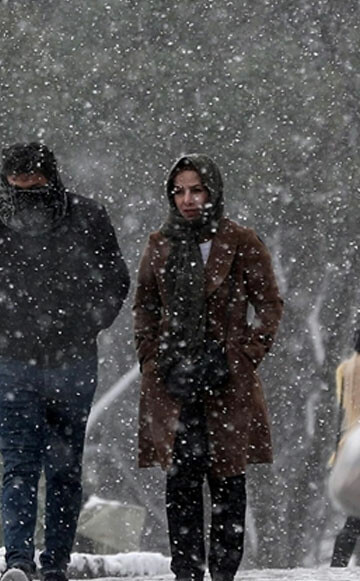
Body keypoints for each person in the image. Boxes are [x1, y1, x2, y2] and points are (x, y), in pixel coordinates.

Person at [0, 142, 129, 581]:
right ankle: (25, 562)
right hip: (22, 359)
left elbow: (113, 281)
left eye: (34, 183)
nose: (27, 194)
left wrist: (83, 324)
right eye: (20, 184)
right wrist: (3, 320)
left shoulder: (85, 217)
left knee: (50, 468)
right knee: (31, 466)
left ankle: (46, 562)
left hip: (59, 360)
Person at [133, 154, 283, 581]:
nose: (188, 199)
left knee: (227, 481)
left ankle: (222, 573)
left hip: (226, 381)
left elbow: (270, 306)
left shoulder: (239, 240)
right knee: (180, 482)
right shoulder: (160, 243)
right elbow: (144, 305)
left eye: (196, 189)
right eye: (179, 191)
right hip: (173, 381)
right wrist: (151, 358)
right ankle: (186, 572)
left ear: (212, 191)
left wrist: (243, 354)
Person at [330, 328, 360, 567]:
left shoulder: (347, 370)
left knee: (354, 518)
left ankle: (338, 565)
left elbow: (342, 414)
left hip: (351, 447)